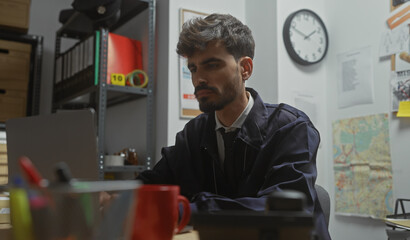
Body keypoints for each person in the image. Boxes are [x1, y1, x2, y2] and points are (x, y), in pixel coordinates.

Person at [136, 13, 330, 239]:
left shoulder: (292, 128)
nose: (199, 79)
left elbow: (282, 213)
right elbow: (152, 183)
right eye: (193, 68)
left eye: (212, 65)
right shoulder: (193, 134)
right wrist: (117, 197)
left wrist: (191, 208)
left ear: (245, 68)